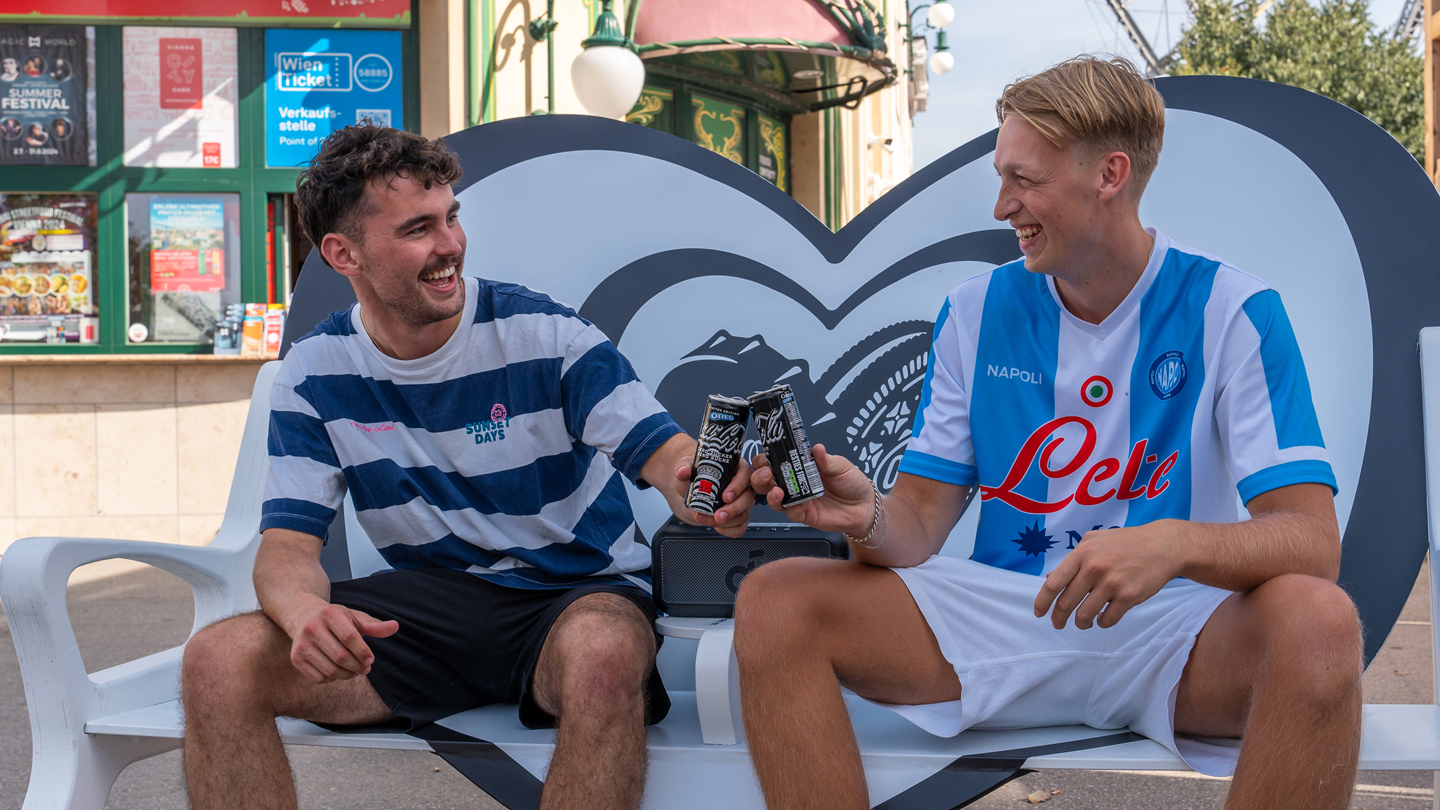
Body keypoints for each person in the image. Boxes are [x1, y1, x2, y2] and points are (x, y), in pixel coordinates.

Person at [736, 56, 1362, 810]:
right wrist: (864, 515)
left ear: (1110, 176)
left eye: (1023, 180)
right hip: (1006, 617)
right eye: (1002, 178)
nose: (1003, 206)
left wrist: (1173, 543)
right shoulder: (973, 310)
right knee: (775, 599)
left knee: (1322, 623)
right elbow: (919, 526)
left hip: (1173, 630)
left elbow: (1310, 541)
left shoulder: (1234, 309)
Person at [180, 125, 755, 810]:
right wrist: (305, 613)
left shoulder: (548, 335)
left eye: (451, 218)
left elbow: (666, 455)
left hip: (573, 595)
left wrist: (704, 486)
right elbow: (286, 549)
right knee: (218, 662)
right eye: (418, 228)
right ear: (343, 253)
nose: (449, 244)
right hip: (428, 615)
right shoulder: (313, 371)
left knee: (603, 654)